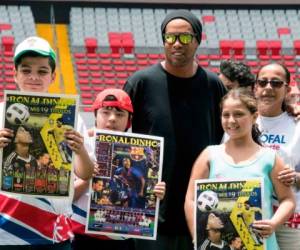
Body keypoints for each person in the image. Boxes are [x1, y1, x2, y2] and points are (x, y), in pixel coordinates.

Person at [123, 9, 227, 250]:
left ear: (198, 40)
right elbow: (115, 133)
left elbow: (232, 135)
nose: (177, 43)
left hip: (201, 211)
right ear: (163, 40)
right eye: (170, 37)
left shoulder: (214, 86)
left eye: (185, 37)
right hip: (150, 211)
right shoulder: (140, 83)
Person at [0, 36, 94, 249]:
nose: (33, 77)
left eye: (42, 71)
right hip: (5, 230)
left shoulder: (70, 118)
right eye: (26, 70)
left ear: (53, 76)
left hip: (53, 231)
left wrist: (79, 150)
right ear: (15, 75)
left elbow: (86, 173)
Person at [185, 88, 295, 250]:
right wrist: (198, 235)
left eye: (238, 114)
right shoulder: (209, 155)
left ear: (254, 116)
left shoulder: (270, 158)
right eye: (226, 115)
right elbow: (191, 199)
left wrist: (273, 223)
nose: (231, 121)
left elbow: (287, 200)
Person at [72, 88, 166, 250]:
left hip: (121, 238)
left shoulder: (144, 151)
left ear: (129, 120)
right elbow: (67, 197)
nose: (112, 119)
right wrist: (88, 178)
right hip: (80, 236)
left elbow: (143, 194)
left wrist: (156, 191)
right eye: (105, 112)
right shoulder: (80, 146)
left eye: (120, 114)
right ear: (95, 115)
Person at [254, 63, 300, 250]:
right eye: (263, 82)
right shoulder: (239, 120)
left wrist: (296, 178)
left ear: (287, 89)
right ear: (255, 87)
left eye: (276, 83)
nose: (268, 88)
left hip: (290, 219)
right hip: (250, 216)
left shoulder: (296, 124)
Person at [3, 126, 37, 193]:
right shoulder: (10, 160)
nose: (27, 132)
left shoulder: (33, 160)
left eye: (27, 131)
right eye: (22, 131)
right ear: (15, 139)